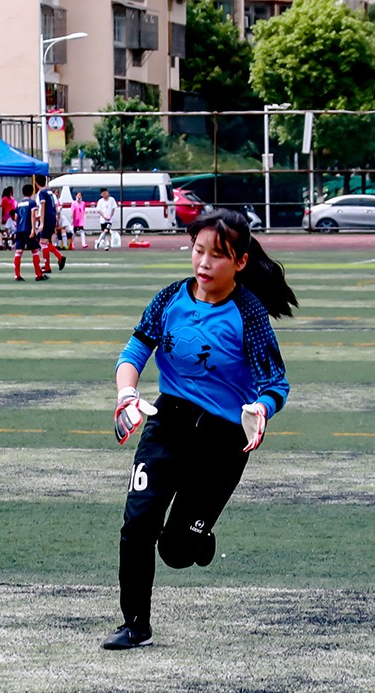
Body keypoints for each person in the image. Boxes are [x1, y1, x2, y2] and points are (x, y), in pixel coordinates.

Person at [103, 208, 295, 650]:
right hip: (167, 423)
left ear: (240, 262)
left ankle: (197, 535)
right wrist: (126, 394)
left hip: (223, 440)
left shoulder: (248, 314)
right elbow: (134, 351)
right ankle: (135, 625)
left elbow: (275, 384)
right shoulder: (171, 297)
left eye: (217, 255)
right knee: (138, 524)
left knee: (175, 551)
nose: (204, 263)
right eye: (198, 250)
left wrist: (261, 409)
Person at [33, 174, 66, 273]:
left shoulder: (41, 193)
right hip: (52, 218)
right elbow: (54, 206)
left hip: (46, 219)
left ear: (36, 183)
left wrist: (42, 222)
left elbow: (43, 206)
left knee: (42, 242)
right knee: (46, 242)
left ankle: (50, 264)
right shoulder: (50, 192)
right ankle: (55, 260)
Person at [12, 184, 44, 282]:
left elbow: (16, 217)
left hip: (19, 230)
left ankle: (17, 275)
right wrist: (33, 229)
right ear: (32, 192)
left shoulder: (19, 203)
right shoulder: (32, 202)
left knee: (18, 252)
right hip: (28, 229)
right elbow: (32, 215)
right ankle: (38, 274)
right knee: (35, 251)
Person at [0, 186, 17, 250]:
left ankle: (13, 243)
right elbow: (3, 208)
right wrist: (2, 217)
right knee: (7, 229)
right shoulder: (4, 199)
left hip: (12, 214)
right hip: (7, 215)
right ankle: (7, 244)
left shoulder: (12, 198)